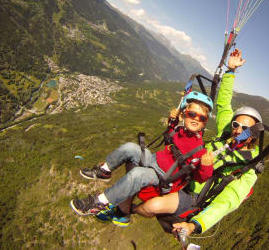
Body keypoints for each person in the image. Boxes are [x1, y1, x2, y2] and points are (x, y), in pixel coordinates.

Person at [100, 49, 264, 237]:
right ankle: (122, 210)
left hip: (194, 195)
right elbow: (224, 104)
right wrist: (231, 71)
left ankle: (130, 210)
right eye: (236, 124)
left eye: (246, 129)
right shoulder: (225, 136)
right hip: (182, 175)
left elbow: (228, 202)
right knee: (134, 161)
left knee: (152, 205)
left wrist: (196, 224)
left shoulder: (248, 167)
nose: (238, 130)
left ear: (254, 135)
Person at [70, 91, 215, 225]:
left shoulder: (199, 150)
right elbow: (170, 136)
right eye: (192, 114)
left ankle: (99, 202)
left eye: (201, 117)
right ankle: (104, 170)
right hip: (153, 160)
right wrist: (172, 120)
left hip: (162, 177)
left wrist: (207, 166)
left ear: (205, 122)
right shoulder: (180, 130)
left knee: (137, 175)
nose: (196, 119)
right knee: (130, 147)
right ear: (184, 115)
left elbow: (200, 177)